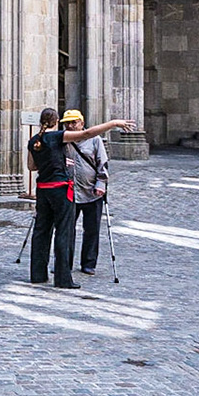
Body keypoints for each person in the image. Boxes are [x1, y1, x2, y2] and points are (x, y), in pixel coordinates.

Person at [28, 107, 135, 289]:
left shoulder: (33, 141)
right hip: (60, 190)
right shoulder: (58, 136)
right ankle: (63, 279)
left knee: (41, 231)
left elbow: (32, 167)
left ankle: (38, 274)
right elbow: (88, 133)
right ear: (56, 122)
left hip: (42, 190)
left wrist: (55, 161)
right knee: (64, 232)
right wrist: (114, 123)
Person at [62, 109, 110, 276]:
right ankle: (64, 262)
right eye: (67, 123)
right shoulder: (63, 140)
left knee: (92, 229)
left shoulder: (95, 140)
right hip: (68, 192)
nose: (70, 125)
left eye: (74, 122)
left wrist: (101, 184)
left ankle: (89, 263)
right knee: (66, 229)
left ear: (82, 123)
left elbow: (102, 164)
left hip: (91, 192)